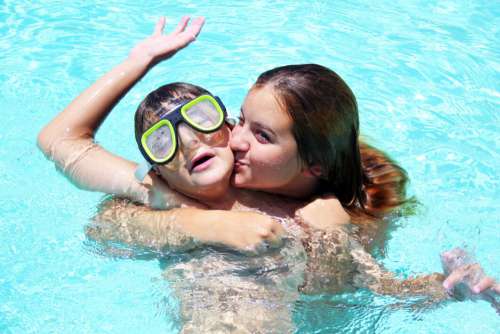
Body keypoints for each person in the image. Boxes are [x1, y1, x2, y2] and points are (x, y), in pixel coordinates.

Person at [38, 16, 498, 332]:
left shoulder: (321, 216)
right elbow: (71, 161)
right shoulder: (165, 183)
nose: (227, 141)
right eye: (240, 121)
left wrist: (447, 289)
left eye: (260, 136)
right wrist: (141, 60)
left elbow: (366, 292)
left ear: (312, 165)